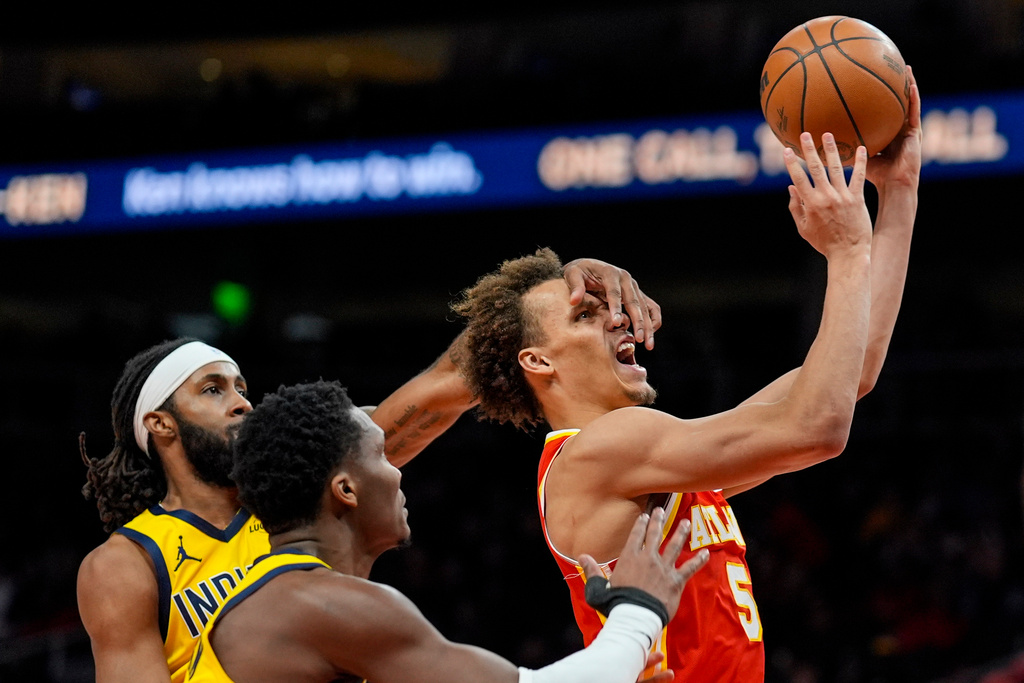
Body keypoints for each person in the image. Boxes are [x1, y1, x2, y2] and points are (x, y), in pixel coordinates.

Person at [450, 70, 922, 681]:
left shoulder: (654, 462)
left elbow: (848, 377)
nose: (619, 320)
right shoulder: (603, 450)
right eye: (587, 316)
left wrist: (900, 190)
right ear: (538, 362)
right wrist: (847, 251)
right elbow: (820, 428)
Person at [75, 257, 662, 683]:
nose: (241, 403)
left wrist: (558, 290)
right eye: (213, 390)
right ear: (161, 425)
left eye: (242, 386)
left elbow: (443, 389)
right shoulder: (126, 564)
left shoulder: (298, 487)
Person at [185, 379, 709, 683]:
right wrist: (639, 611)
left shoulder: (291, 598)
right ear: (345, 490)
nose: (397, 471)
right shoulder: (325, 606)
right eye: (380, 456)